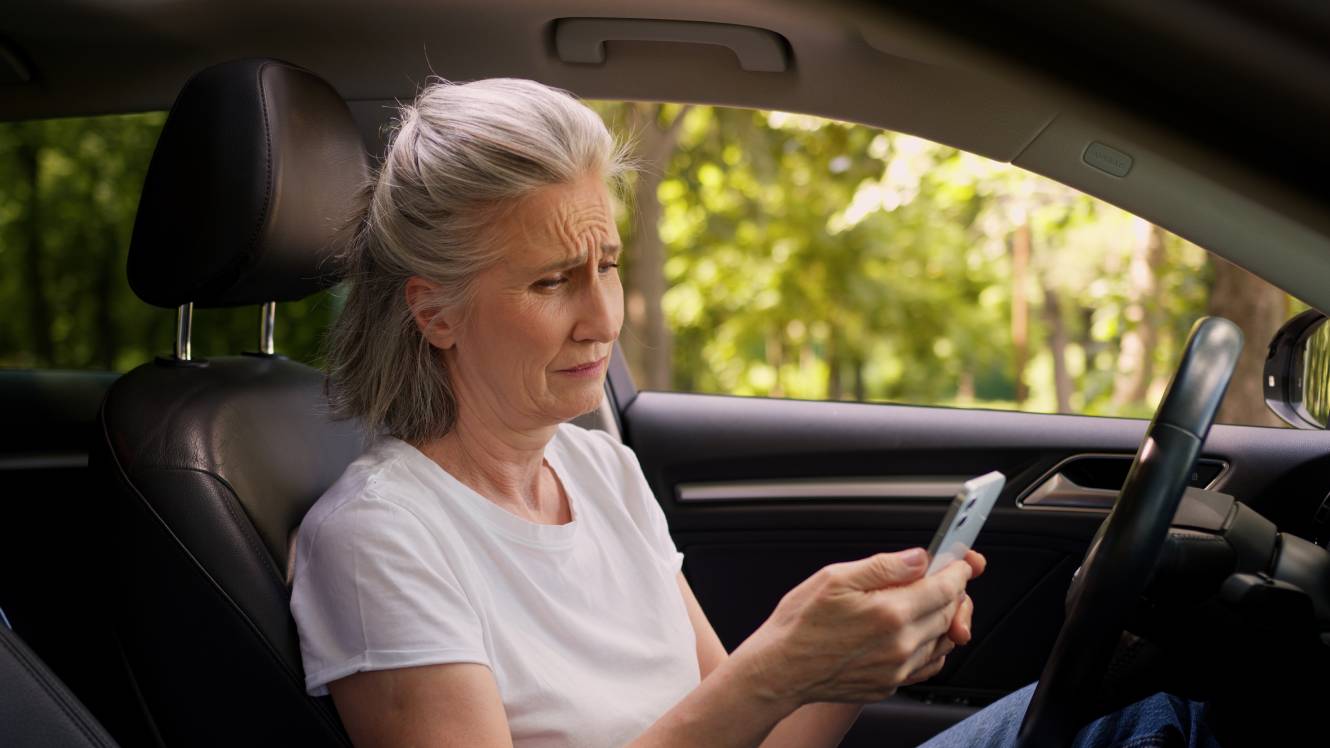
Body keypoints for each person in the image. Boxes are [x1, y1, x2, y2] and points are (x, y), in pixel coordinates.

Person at [288, 78, 1219, 747]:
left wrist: (848, 668)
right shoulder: (379, 538)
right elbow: (742, 699)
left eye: (606, 263)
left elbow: (747, 735)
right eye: (551, 281)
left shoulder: (598, 470)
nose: (603, 316)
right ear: (434, 311)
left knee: (1180, 711)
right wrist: (772, 666)